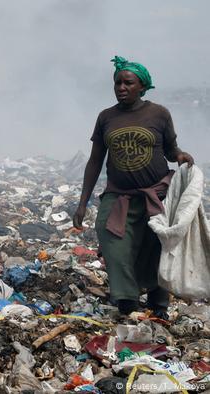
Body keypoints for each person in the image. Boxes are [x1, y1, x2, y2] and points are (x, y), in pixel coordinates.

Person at [73, 56, 194, 318]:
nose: (121, 87)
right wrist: (83, 203)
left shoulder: (158, 114)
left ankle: (158, 306)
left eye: (128, 83)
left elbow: (171, 150)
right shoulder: (106, 117)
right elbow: (95, 161)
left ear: (143, 86)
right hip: (119, 197)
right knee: (113, 244)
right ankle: (127, 304)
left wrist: (181, 156)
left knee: (156, 249)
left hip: (156, 195)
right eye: (117, 82)